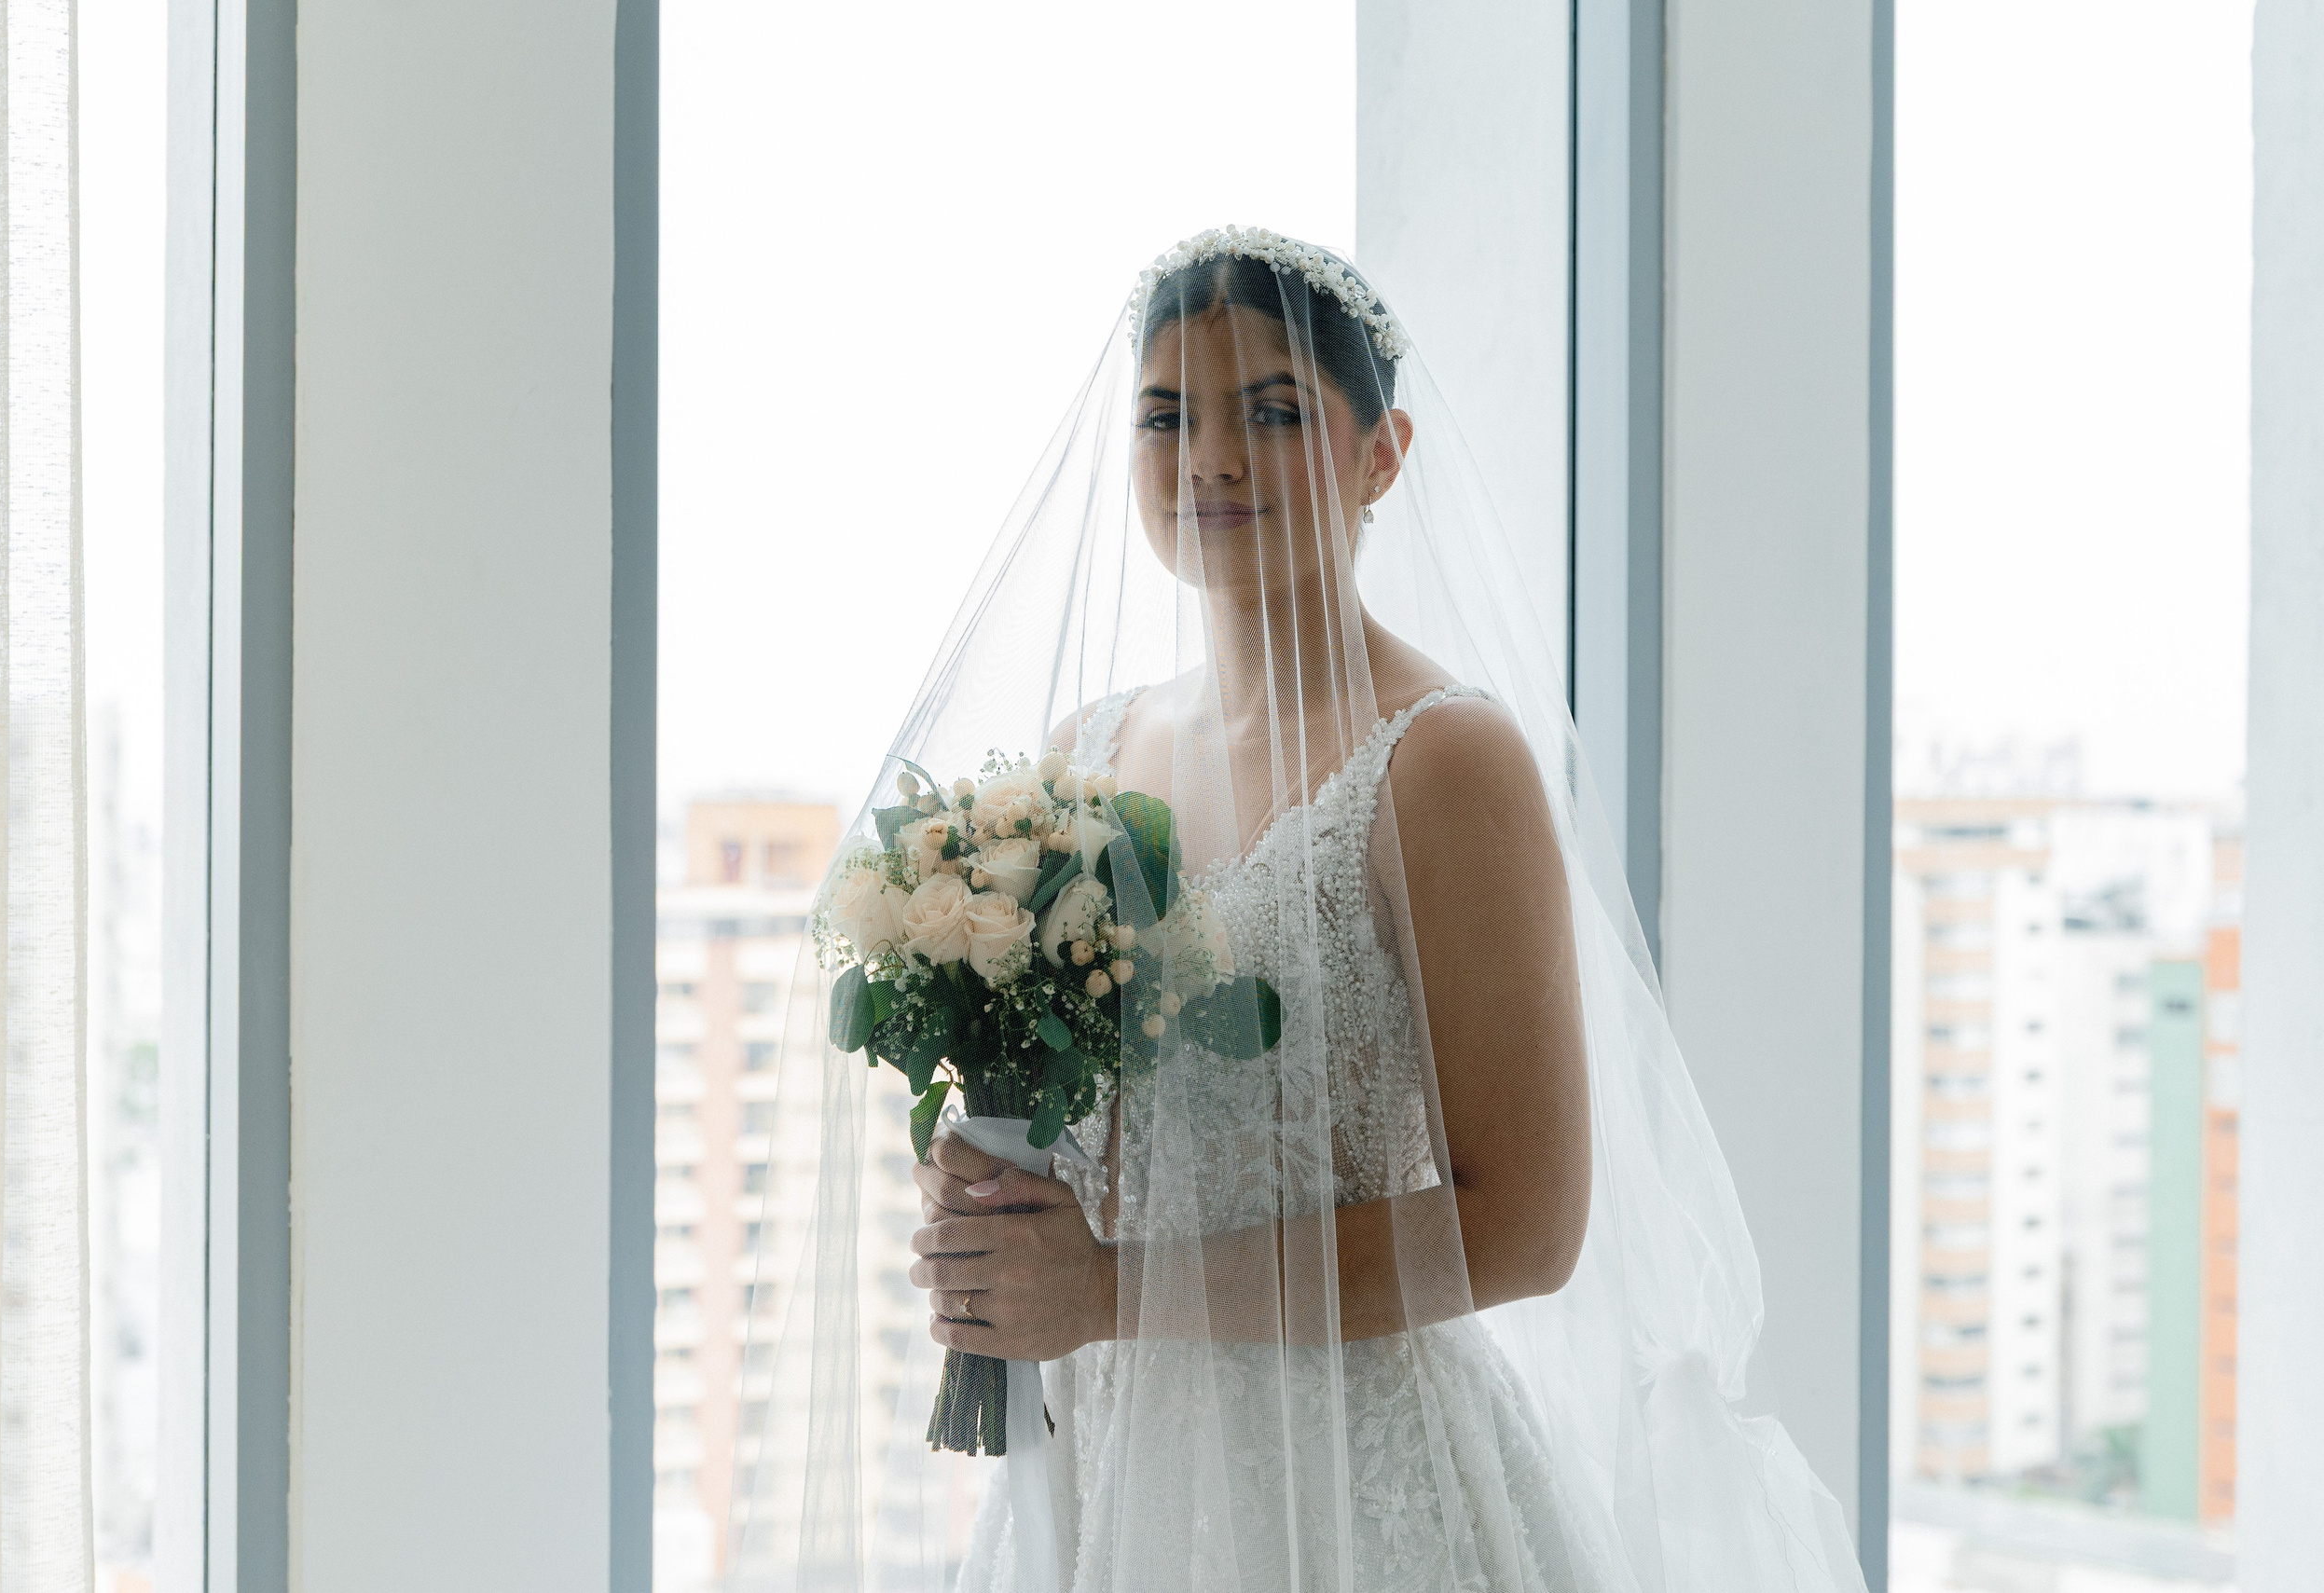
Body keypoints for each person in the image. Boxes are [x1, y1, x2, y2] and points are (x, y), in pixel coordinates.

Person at [735, 227, 1864, 1593]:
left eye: (1271, 412)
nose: (1208, 459)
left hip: (1347, 1486)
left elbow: (1529, 1224)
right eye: (1167, 417)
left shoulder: (1441, 757)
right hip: (1099, 1466)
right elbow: (1105, 1126)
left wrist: (1109, 1289)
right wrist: (997, 1187)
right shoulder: (1087, 753)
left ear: (1383, 453)